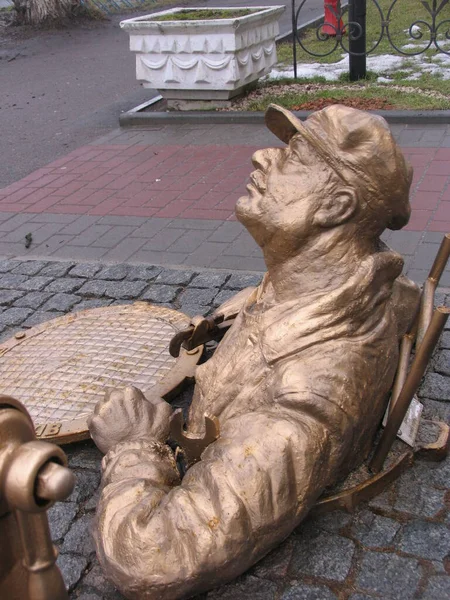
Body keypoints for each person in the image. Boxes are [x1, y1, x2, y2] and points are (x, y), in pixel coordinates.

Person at [88, 104, 420, 600]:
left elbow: (152, 555)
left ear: (336, 207)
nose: (263, 156)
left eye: (296, 154)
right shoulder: (298, 286)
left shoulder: (315, 390)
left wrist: (133, 448)